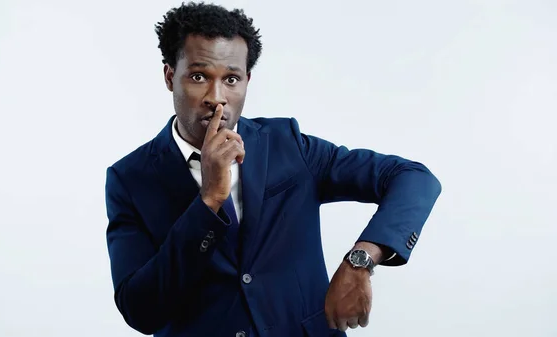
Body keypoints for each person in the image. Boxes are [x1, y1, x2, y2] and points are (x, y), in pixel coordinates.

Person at [104, 2, 442, 337]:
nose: (216, 97)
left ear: (247, 80)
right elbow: (141, 311)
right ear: (169, 76)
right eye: (198, 76)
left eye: (232, 79)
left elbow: (413, 179)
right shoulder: (129, 179)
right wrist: (208, 202)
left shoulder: (287, 144)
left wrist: (361, 259)